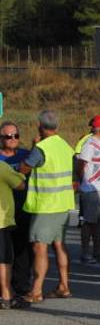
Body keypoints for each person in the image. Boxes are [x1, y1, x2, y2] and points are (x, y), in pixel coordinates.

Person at [18, 110, 75, 302]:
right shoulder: (65, 146)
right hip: (63, 203)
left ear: (39, 127)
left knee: (39, 246)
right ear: (57, 127)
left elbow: (25, 168)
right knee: (59, 245)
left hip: (45, 206)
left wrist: (33, 148)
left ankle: (36, 291)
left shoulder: (42, 148)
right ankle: (64, 285)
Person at [0, 121, 33, 304]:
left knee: (22, 249)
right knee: (4, 252)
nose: (12, 139)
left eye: (16, 136)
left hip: (23, 207)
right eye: (7, 136)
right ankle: (5, 288)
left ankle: (21, 285)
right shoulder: (0, 160)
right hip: (4, 211)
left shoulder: (26, 154)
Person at [76, 114, 100, 264]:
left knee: (97, 221)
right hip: (91, 189)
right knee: (89, 222)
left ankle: (97, 250)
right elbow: (81, 164)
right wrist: (84, 180)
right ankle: (85, 253)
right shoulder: (90, 144)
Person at [0, 160, 26, 309]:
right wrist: (20, 173)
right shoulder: (2, 167)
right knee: (4, 260)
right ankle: (6, 295)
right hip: (1, 221)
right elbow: (20, 185)